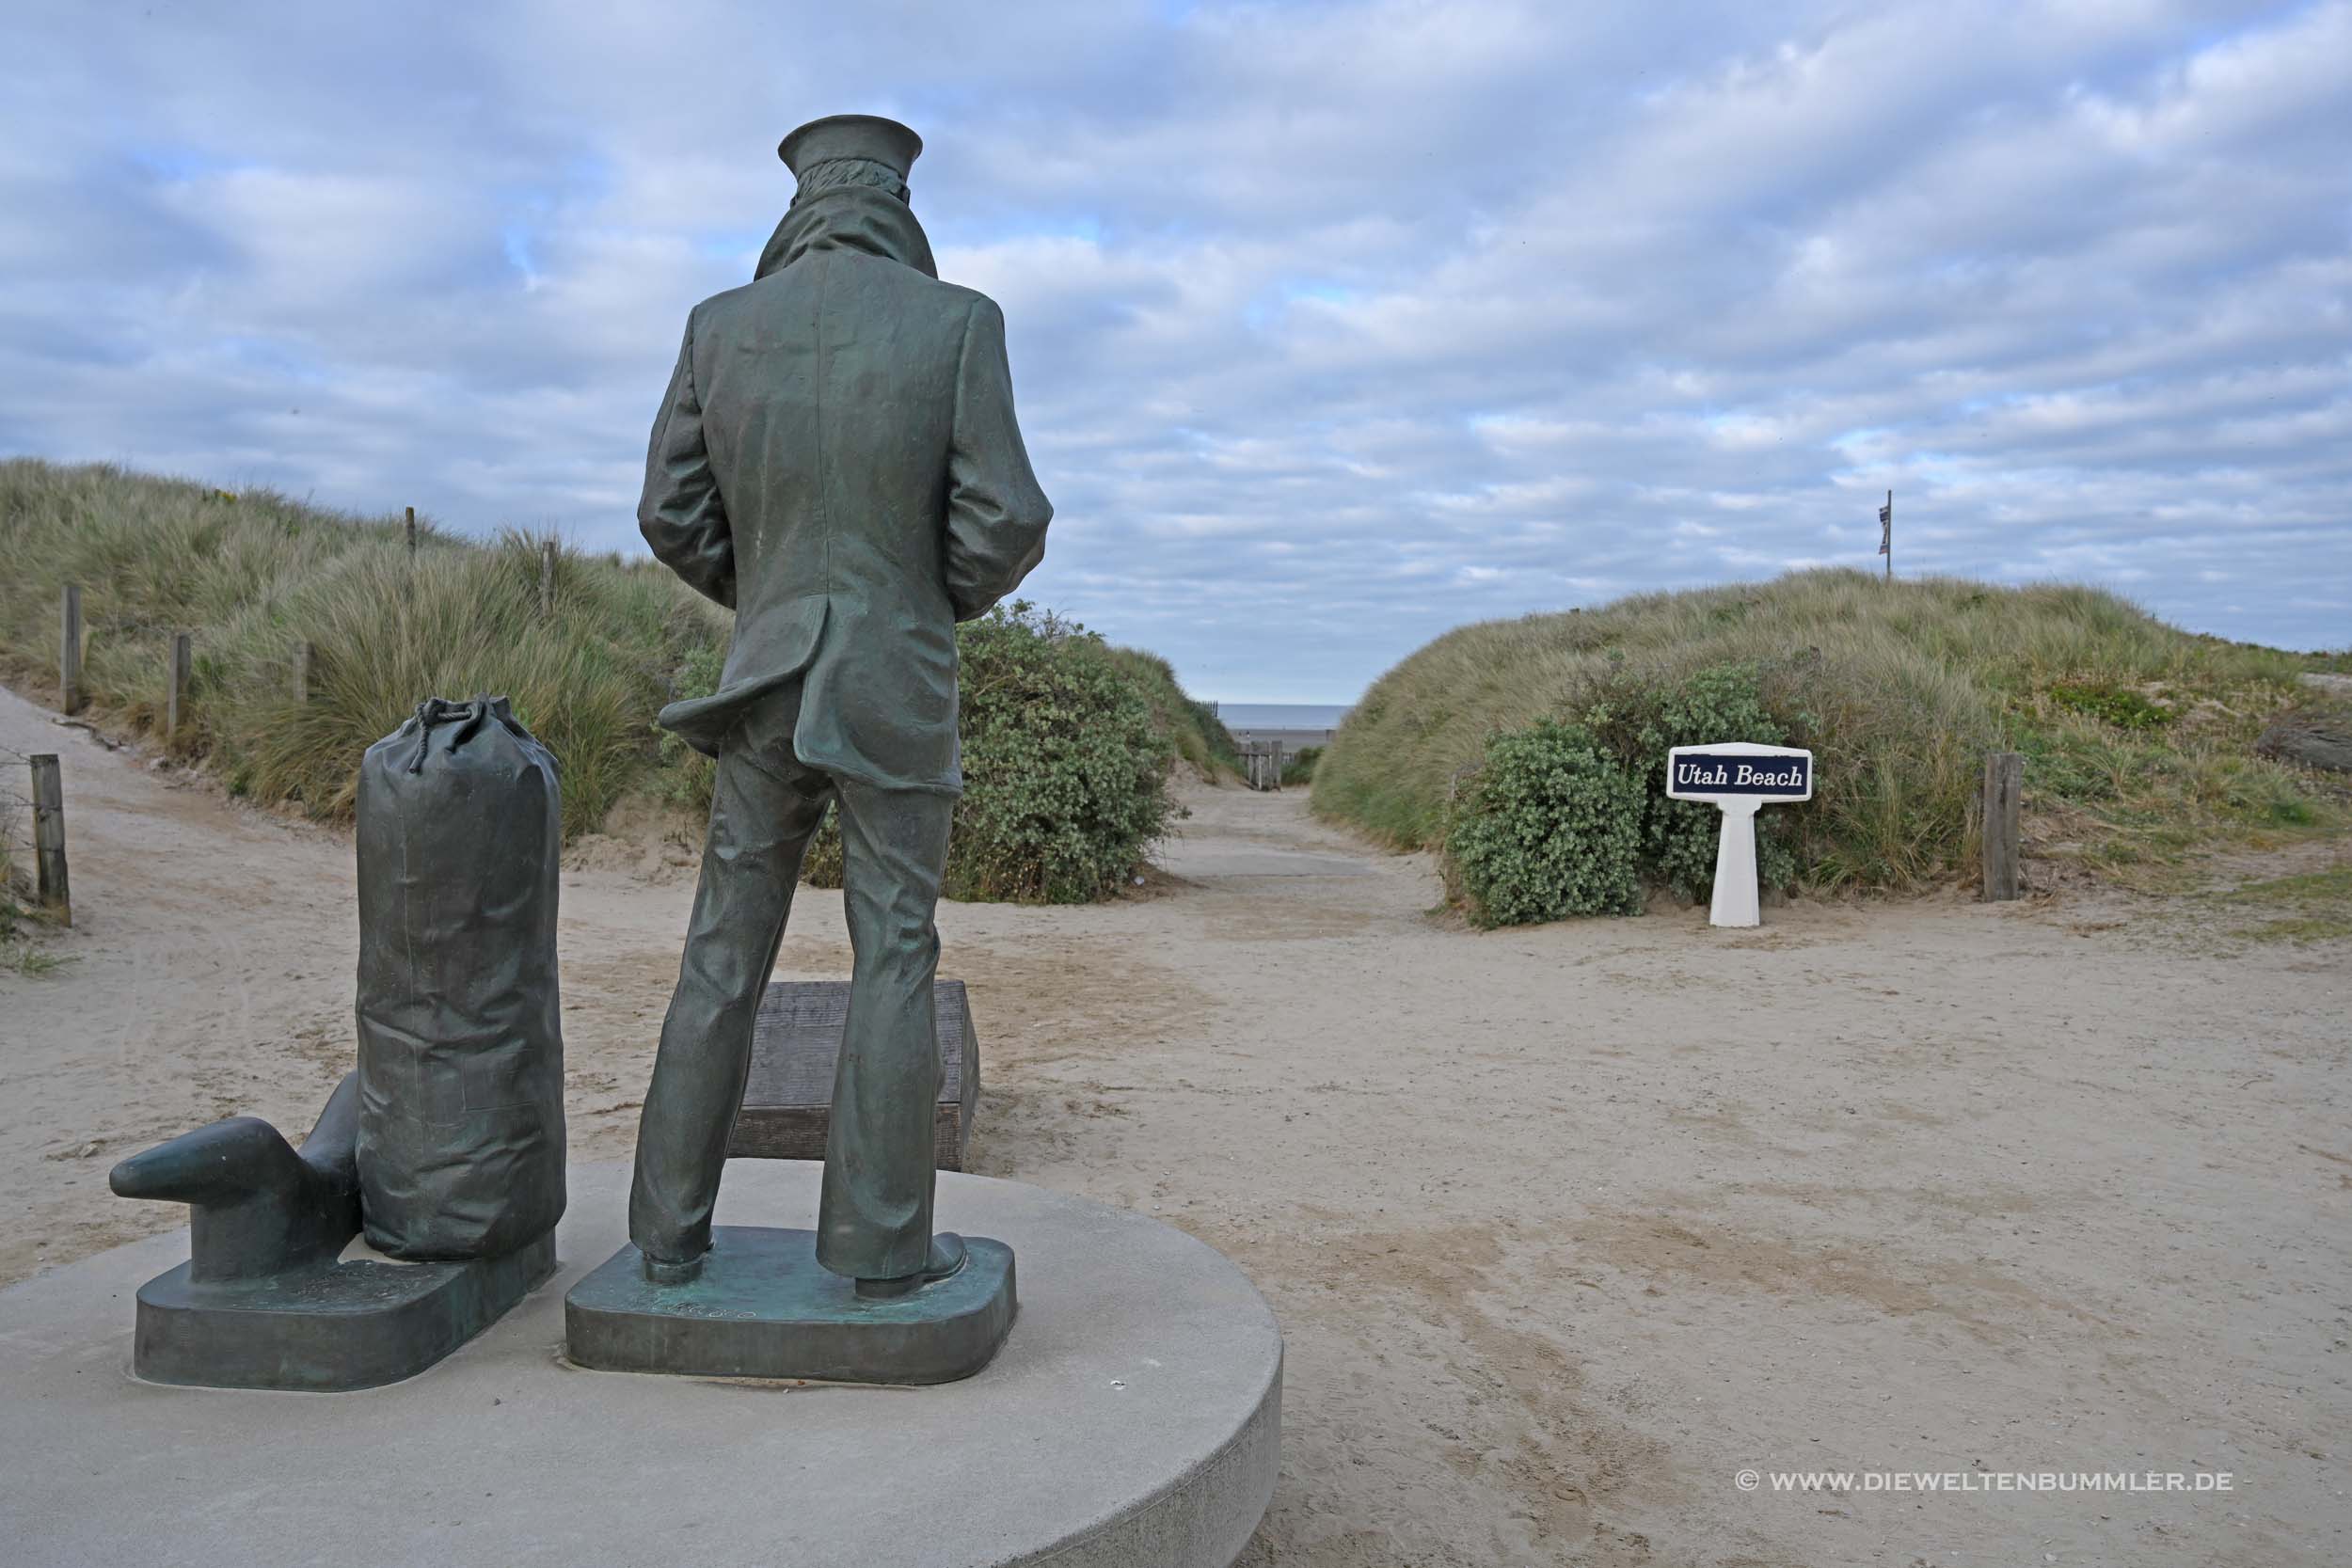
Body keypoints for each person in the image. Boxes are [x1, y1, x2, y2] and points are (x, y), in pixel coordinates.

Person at [628, 115, 1051, 1297]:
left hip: (760, 672)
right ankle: (878, 1245)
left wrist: (765, 595)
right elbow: (1007, 515)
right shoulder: (958, 321)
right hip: (895, 675)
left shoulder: (721, 326)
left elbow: (670, 512)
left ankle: (664, 1238)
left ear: (800, 204)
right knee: (895, 951)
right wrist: (915, 598)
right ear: (897, 204)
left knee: (721, 952)